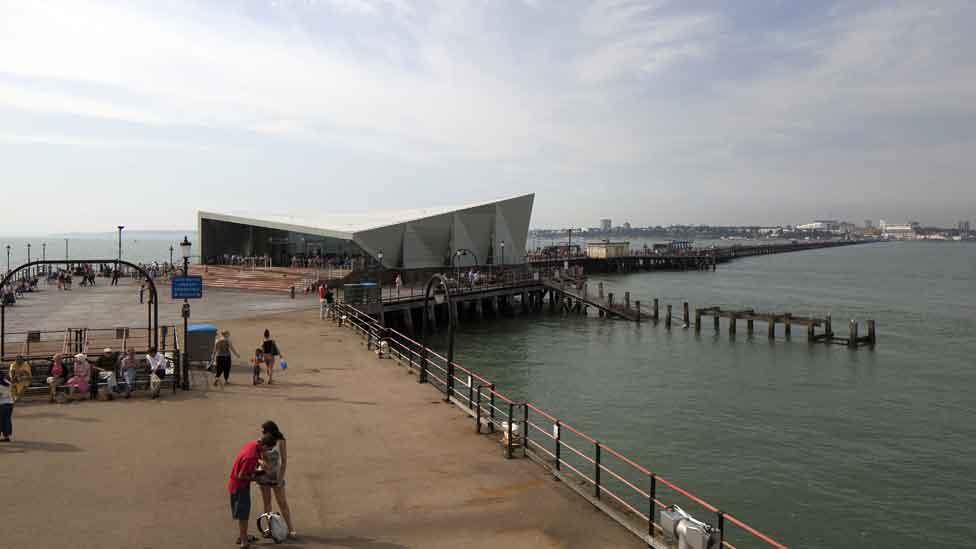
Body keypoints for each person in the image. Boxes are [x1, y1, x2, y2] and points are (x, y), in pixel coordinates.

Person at [228, 434, 278, 549]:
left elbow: (249, 465)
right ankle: (244, 542)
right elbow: (241, 475)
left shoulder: (253, 445)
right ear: (264, 445)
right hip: (240, 487)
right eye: (269, 448)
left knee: (243, 513)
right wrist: (257, 478)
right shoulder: (251, 457)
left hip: (238, 485)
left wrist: (259, 467)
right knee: (243, 515)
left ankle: (243, 535)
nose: (269, 451)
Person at [258, 421, 296, 539]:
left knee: (282, 502)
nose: (262, 432)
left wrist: (280, 478)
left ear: (271, 430)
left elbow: (284, 461)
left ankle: (291, 529)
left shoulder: (281, 441)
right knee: (267, 503)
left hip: (276, 475)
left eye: (264, 430)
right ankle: (270, 529)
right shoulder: (261, 441)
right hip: (264, 476)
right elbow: (260, 457)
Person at [0, 372, 13, 442]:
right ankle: (6, 437)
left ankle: (6, 437)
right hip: (10, 403)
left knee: (2, 422)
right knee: (7, 421)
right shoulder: (7, 382)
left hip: (2, 405)